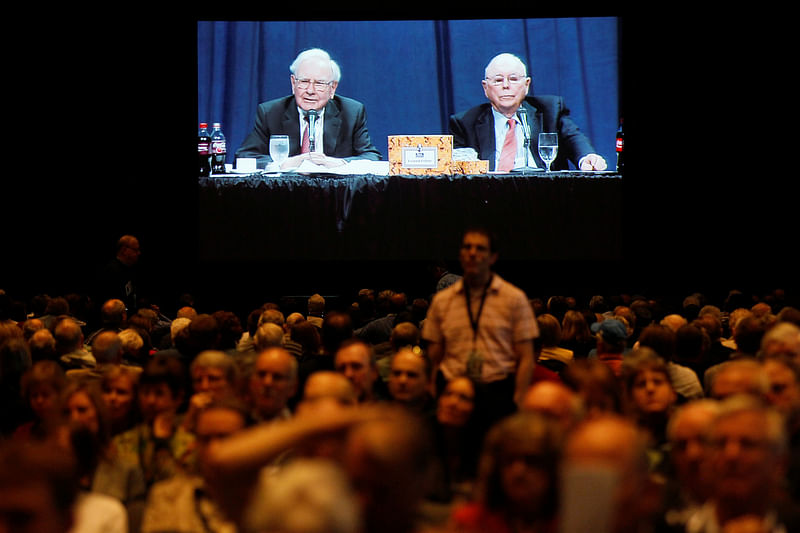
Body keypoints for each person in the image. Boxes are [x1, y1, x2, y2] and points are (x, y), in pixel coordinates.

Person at [422, 227, 538, 428]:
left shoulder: (514, 299)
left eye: (480, 248)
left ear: (493, 257)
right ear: (460, 255)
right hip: (452, 392)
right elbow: (433, 355)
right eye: (467, 247)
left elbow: (526, 356)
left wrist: (518, 399)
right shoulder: (442, 301)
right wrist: (434, 391)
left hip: (497, 393)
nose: (473, 253)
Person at [449, 52, 606, 172]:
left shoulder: (551, 110)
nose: (506, 85)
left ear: (526, 84)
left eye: (513, 79)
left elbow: (573, 139)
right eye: (498, 80)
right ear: (485, 87)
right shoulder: (464, 123)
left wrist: (587, 158)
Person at [235, 48, 382, 169]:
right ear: (293, 84)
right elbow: (244, 157)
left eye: (319, 84)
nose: (310, 90)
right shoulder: (271, 112)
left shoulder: (352, 112)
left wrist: (340, 163)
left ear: (332, 88)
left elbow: (372, 157)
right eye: (304, 81)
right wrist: (282, 164)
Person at [683, 395, 800, 532]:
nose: (731, 455)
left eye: (747, 444)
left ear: (779, 464)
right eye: (720, 444)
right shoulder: (672, 525)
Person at [140, 398, 250, 533]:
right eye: (205, 439)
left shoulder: (269, 496)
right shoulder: (168, 495)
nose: (213, 449)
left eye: (224, 438)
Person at [447, 411, 564, 533]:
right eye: (509, 460)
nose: (518, 471)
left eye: (531, 461)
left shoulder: (569, 522)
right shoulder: (470, 522)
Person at [96, 235, 142, 312]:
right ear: (124, 250)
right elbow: (110, 304)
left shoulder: (130, 269)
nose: (139, 253)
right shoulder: (111, 272)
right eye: (135, 250)